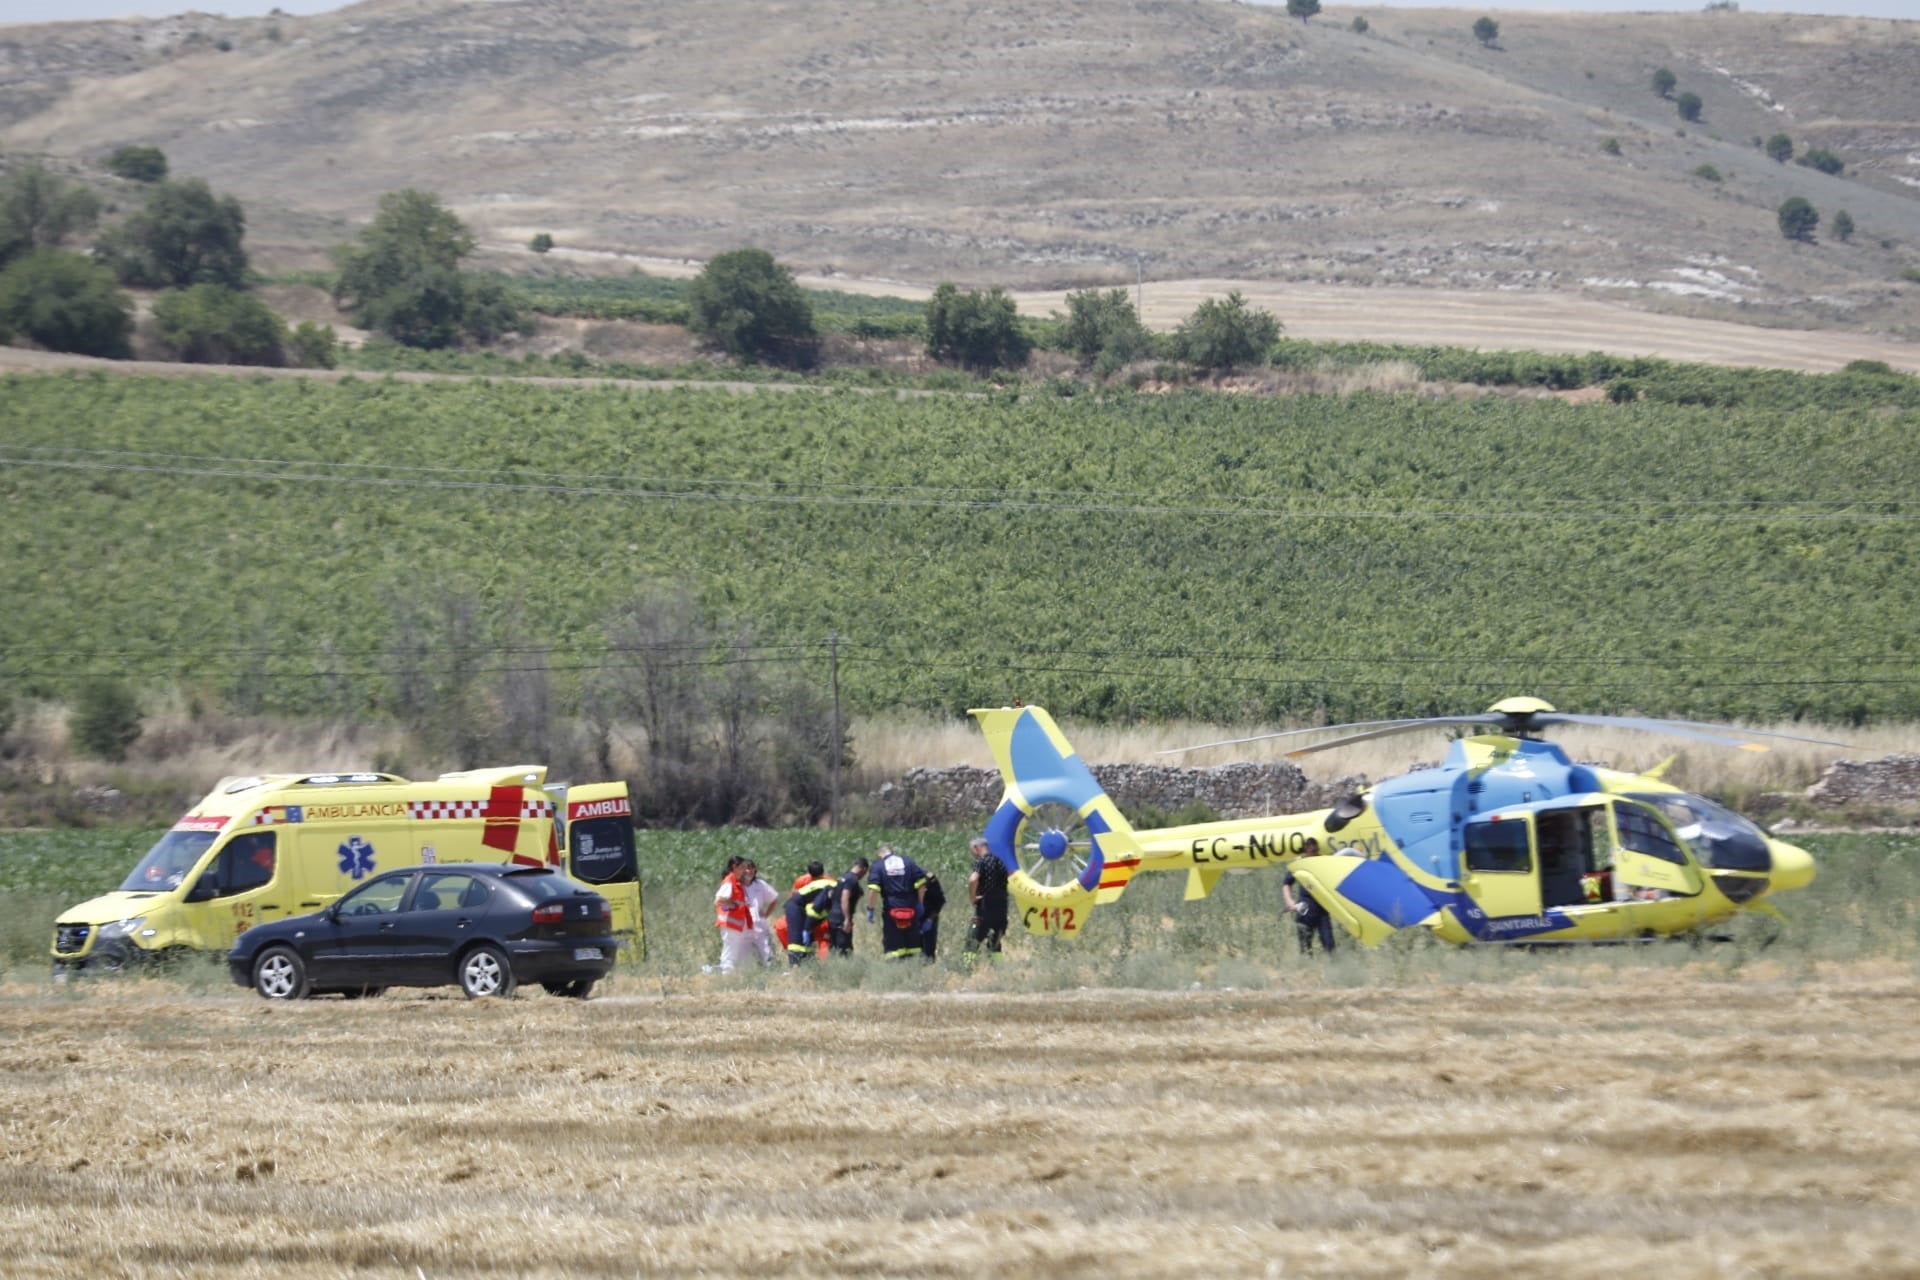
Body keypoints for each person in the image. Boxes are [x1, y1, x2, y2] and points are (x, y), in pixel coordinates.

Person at [864, 844, 930, 960]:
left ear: (880, 855)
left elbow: (874, 890)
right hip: (911, 909)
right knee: (913, 942)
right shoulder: (908, 862)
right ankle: (913, 967)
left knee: (893, 943)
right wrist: (920, 903)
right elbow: (922, 885)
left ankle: (896, 966)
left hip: (892, 910)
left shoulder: (878, 866)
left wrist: (870, 909)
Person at [1281, 838, 1335, 956]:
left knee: (1329, 944)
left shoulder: (1323, 862)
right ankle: (1308, 972)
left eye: (1316, 850)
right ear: (1306, 850)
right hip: (1305, 909)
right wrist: (1290, 902)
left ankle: (1335, 971)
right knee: (1305, 947)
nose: (1314, 853)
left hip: (1322, 909)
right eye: (1312, 851)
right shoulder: (1299, 864)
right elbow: (1286, 884)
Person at [782, 861, 835, 965]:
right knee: (797, 939)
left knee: (808, 939)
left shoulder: (804, 881)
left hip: (808, 910)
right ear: (823, 872)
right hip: (801, 909)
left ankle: (807, 962)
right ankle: (796, 965)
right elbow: (814, 907)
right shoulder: (832, 884)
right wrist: (807, 927)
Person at [965, 835, 1009, 957]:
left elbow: (973, 880)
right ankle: (998, 970)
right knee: (995, 945)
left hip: (985, 908)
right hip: (1001, 909)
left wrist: (972, 898)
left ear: (976, 848)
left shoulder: (981, 861)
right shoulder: (1000, 863)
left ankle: (966, 968)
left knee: (972, 942)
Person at [713, 857, 757, 973]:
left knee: (736, 952)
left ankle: (734, 975)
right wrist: (733, 905)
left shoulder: (736, 882)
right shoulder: (730, 882)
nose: (744, 870)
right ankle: (726, 977)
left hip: (736, 924)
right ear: (734, 867)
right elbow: (719, 899)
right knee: (729, 953)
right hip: (730, 923)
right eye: (742, 867)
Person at [740, 859, 780, 966]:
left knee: (767, 952)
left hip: (759, 923)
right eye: (746, 869)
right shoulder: (737, 886)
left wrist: (766, 915)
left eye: (751, 868)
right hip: (743, 925)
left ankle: (771, 970)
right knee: (744, 957)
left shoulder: (760, 884)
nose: (749, 871)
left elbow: (774, 899)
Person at [827, 857, 868, 956]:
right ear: (863, 869)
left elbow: (832, 893)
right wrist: (846, 919)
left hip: (833, 915)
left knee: (834, 947)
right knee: (844, 948)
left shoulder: (843, 877)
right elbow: (844, 898)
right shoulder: (852, 879)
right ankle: (844, 967)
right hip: (841, 917)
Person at [919, 870, 946, 962]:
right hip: (909, 920)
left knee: (928, 954)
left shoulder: (928, 878)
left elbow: (940, 900)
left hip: (928, 917)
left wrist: (930, 920)